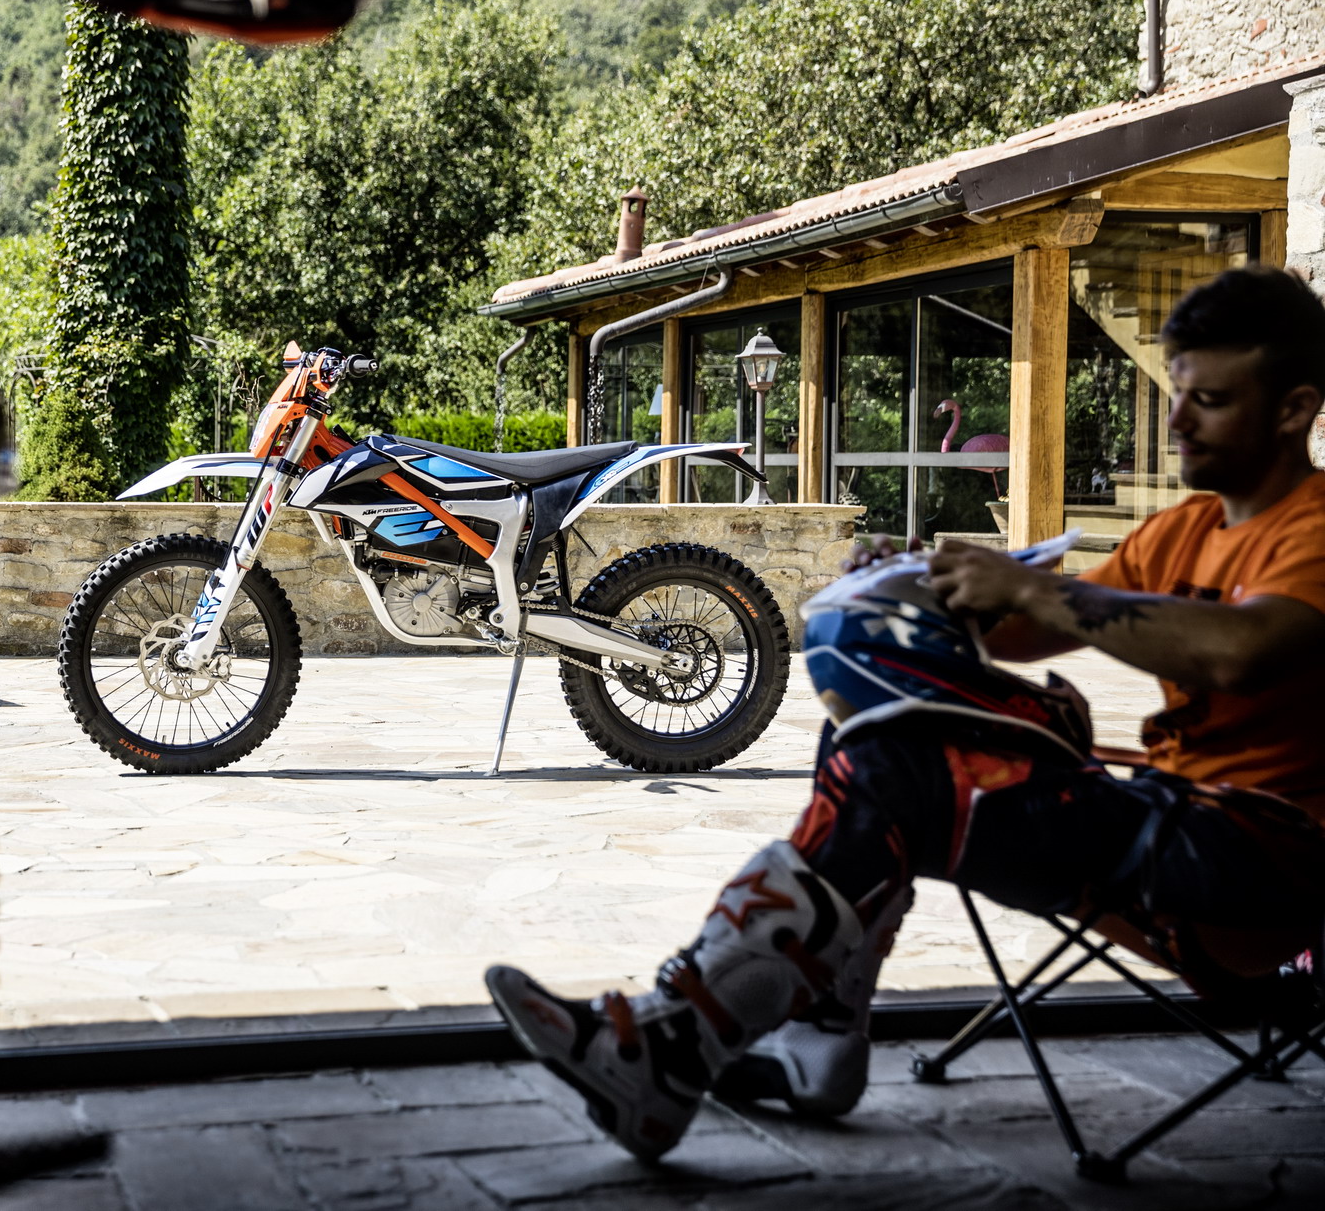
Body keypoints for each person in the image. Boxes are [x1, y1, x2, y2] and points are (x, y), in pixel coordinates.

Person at [485, 265, 1325, 1161]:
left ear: (1295, 409)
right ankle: (802, 1040)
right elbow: (1024, 634)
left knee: (896, 776)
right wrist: (918, 581)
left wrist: (1035, 591)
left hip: (1266, 870)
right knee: (874, 733)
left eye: (1210, 400)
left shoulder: (1312, 530)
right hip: (1171, 826)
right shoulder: (1183, 530)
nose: (1177, 420)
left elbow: (1244, 649)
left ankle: (677, 1045)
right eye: (1176, 392)